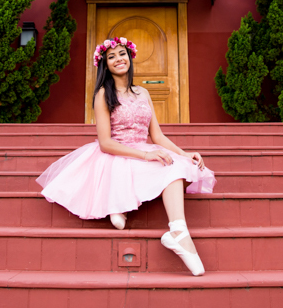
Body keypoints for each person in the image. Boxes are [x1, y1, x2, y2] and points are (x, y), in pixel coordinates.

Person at [36, 36, 216, 276]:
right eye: (111, 57)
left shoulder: (143, 93)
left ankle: (178, 233)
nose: (118, 59)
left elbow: (158, 137)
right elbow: (105, 143)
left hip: (143, 148)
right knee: (145, 163)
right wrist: (144, 156)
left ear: (129, 57)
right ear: (105, 65)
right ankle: (116, 205)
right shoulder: (103, 94)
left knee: (174, 164)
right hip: (117, 151)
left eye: (122, 54)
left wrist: (185, 153)